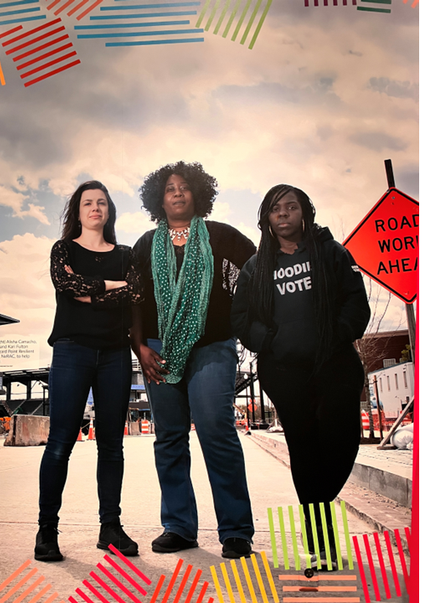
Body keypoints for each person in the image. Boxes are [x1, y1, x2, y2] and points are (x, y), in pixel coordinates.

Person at [230, 184, 370, 568]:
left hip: (334, 364)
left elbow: (356, 302)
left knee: (343, 444)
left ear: (304, 212)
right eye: (277, 208)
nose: (284, 213)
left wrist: (335, 333)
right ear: (267, 218)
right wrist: (267, 340)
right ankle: (322, 544)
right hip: (285, 371)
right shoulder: (256, 267)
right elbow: (241, 317)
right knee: (305, 452)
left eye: (291, 206)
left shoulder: (331, 253)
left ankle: (316, 501)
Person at [130, 161, 257, 559]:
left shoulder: (222, 237)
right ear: (159, 199)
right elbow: (132, 301)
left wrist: (245, 325)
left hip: (213, 346)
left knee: (216, 429)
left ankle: (236, 531)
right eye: (169, 188)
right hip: (158, 350)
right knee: (169, 438)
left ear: (198, 193)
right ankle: (179, 526)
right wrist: (139, 347)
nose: (178, 192)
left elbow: (258, 275)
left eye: (184, 186)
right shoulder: (146, 244)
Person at [35, 180, 142, 562]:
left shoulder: (126, 254)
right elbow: (66, 284)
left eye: (101, 202)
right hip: (71, 351)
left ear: (109, 210)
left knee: (112, 445)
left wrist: (91, 293)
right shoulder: (62, 249)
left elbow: (135, 294)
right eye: (87, 203)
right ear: (77, 212)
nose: (95, 208)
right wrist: (112, 288)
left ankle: (110, 527)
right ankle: (47, 530)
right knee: (60, 442)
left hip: (115, 354)